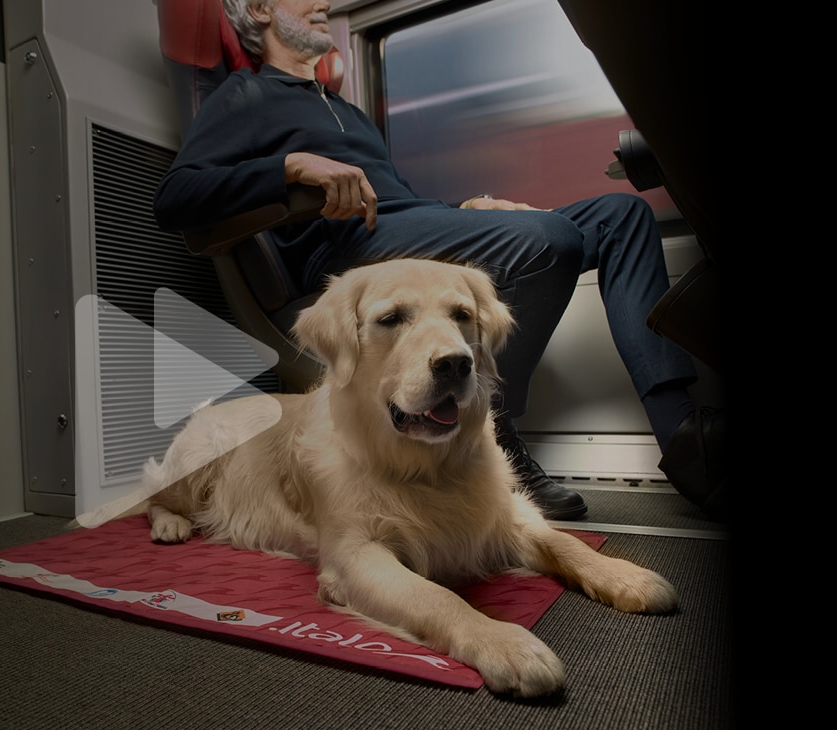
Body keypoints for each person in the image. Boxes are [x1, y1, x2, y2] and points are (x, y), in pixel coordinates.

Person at [152, 0, 725, 520]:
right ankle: (495, 431)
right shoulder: (246, 96)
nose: (324, 2)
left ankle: (683, 434)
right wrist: (292, 166)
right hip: (349, 248)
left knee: (621, 216)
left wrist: (469, 207)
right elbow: (175, 199)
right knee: (549, 239)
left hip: (400, 229)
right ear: (260, 9)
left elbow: (402, 201)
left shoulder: (348, 113)